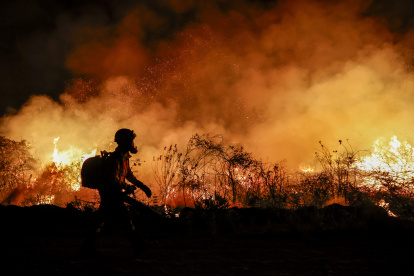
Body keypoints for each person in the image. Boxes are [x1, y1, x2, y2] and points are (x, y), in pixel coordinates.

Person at [83, 128, 152, 255]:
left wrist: (143, 187)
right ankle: (138, 246)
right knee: (125, 218)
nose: (132, 143)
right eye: (131, 140)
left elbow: (129, 175)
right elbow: (112, 178)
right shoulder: (114, 159)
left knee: (101, 218)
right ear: (124, 141)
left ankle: (87, 247)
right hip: (110, 193)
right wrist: (127, 187)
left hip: (113, 192)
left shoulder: (124, 157)